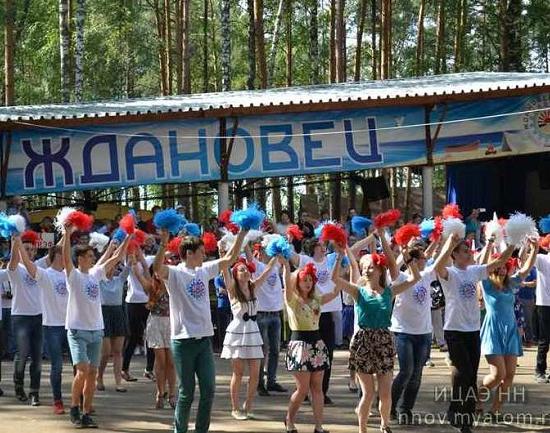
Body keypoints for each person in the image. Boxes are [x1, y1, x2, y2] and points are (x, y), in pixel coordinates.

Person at [153, 227, 247, 433]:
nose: (205, 255)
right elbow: (157, 268)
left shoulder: (204, 270)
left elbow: (230, 258)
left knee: (209, 390)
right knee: (186, 392)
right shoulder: (175, 273)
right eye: (201, 252)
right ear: (189, 253)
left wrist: (242, 232)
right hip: (183, 341)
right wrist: (163, 242)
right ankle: (180, 430)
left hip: (204, 340)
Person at [332, 234, 421, 433]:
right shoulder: (358, 291)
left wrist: (408, 258)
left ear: (380, 269)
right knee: (368, 393)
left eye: (371, 266)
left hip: (384, 340)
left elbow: (415, 278)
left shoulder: (389, 292)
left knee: (385, 392)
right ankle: (362, 428)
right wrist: (339, 256)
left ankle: (385, 425)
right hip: (363, 341)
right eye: (365, 267)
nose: (367, 269)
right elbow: (334, 279)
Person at [434, 234, 514, 433]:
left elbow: (500, 261)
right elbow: (438, 267)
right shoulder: (450, 273)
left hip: (473, 330)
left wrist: (513, 242)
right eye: (464, 250)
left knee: (470, 376)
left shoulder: (474, 271)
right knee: (465, 373)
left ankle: (465, 420)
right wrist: (450, 243)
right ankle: (459, 415)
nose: (469, 252)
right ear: (454, 255)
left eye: (468, 249)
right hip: (454, 331)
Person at [62, 223, 129, 428]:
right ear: (81, 258)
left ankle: (86, 411)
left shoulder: (95, 274)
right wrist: (66, 234)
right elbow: (65, 257)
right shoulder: (73, 275)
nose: (93, 258)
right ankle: (74, 407)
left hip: (96, 331)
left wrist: (128, 237)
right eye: (90, 256)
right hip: (77, 330)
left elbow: (116, 258)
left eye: (93, 256)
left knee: (91, 373)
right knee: (82, 371)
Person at [479, 239, 537, 418]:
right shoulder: (487, 284)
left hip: (510, 330)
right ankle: (477, 397)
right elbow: (482, 265)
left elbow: (525, 270)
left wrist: (534, 249)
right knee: (498, 375)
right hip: (493, 330)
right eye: (500, 265)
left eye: (505, 265)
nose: (503, 268)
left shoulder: (511, 283)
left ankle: (495, 411)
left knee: (509, 375)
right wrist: (488, 246)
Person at [282, 258, 341, 433]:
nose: (308, 283)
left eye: (310, 280)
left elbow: (336, 289)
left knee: (317, 388)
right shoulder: (292, 300)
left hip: (317, 344)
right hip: (300, 345)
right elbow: (286, 283)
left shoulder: (317, 300)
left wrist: (339, 260)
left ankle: (319, 426)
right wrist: (285, 266)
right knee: (302, 389)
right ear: (297, 282)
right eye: (304, 280)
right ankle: (289, 420)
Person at [221, 256, 277, 419]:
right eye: (241, 270)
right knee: (238, 373)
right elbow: (225, 270)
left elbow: (266, 273)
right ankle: (235, 407)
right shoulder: (232, 288)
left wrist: (275, 258)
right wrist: (224, 255)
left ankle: (249, 405)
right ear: (235, 274)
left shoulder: (253, 287)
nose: (245, 272)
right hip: (238, 333)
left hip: (253, 332)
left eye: (246, 269)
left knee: (255, 372)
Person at [17, 243, 68, 414]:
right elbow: (26, 262)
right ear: (57, 256)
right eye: (63, 254)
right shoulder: (43, 273)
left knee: (78, 366)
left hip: (67, 325)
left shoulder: (70, 274)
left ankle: (80, 399)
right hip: (44, 324)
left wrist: (67, 232)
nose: (67, 256)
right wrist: (16, 241)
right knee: (53, 365)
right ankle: (56, 400)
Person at [390, 241, 438, 424]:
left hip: (424, 333)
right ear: (415, 261)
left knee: (416, 375)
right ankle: (390, 405)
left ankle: (406, 409)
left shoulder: (427, 275)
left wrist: (441, 239)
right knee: (406, 371)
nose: (427, 260)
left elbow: (439, 258)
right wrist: (403, 252)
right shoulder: (401, 277)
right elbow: (394, 263)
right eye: (424, 258)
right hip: (403, 332)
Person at [290, 238, 341, 404]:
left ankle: (322, 392)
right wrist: (284, 241)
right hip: (309, 316)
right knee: (307, 356)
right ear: (313, 247)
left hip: (326, 313)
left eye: (324, 245)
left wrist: (374, 235)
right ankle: (303, 391)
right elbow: (291, 256)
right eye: (320, 245)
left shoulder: (332, 258)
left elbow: (350, 250)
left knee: (328, 356)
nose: (324, 247)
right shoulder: (306, 260)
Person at [132, 259, 176, 409]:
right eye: (157, 270)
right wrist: (133, 260)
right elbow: (139, 274)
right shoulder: (151, 286)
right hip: (155, 323)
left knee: (171, 362)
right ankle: (160, 392)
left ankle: (172, 394)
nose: (160, 273)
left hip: (171, 323)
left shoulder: (174, 285)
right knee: (161, 360)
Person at [245, 243, 287, 396]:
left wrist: (281, 239)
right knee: (263, 351)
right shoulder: (257, 266)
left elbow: (283, 243)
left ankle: (271, 381)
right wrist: (245, 234)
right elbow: (248, 253)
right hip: (261, 314)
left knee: (275, 350)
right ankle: (259, 384)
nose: (271, 254)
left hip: (276, 314)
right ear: (261, 252)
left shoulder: (275, 267)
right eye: (267, 251)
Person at [7, 231, 43, 405]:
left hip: (39, 317)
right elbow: (14, 259)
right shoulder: (15, 270)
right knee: (22, 355)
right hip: (20, 317)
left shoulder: (39, 268)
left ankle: (34, 392)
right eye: (26, 249)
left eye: (32, 250)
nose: (29, 252)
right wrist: (15, 241)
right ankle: (19, 386)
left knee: (37, 357)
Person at [96, 242, 130, 393]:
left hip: (118, 313)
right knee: (106, 351)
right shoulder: (99, 281)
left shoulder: (119, 279)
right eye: (111, 265)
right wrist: (110, 249)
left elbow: (128, 267)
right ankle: (99, 376)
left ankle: (118, 382)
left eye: (115, 266)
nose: (113, 268)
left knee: (117, 351)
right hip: (104, 313)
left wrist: (131, 249)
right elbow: (99, 265)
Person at [122, 242, 155, 383]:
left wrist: (142, 260)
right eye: (132, 250)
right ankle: (124, 369)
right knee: (133, 337)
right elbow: (128, 263)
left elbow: (162, 255)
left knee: (151, 336)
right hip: (132, 303)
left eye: (137, 248)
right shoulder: (128, 263)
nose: (135, 252)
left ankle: (149, 369)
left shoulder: (147, 260)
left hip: (147, 301)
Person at [534, 238, 550, 383]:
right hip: (545, 304)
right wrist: (532, 246)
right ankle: (540, 371)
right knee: (544, 339)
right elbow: (528, 258)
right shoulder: (542, 258)